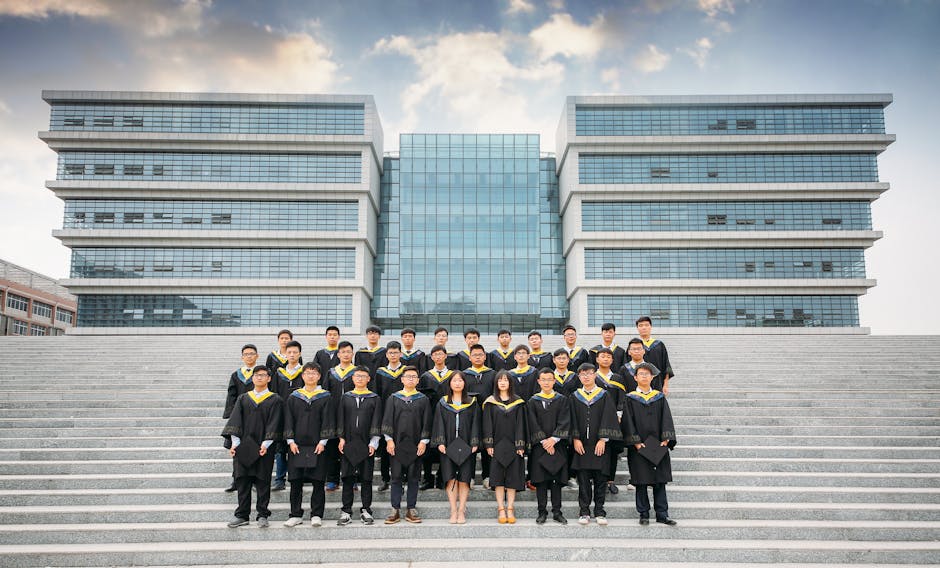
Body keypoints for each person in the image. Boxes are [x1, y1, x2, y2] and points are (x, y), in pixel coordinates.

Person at [222, 365, 283, 528]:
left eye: (263, 375)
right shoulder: (243, 398)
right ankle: (242, 515)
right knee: (242, 480)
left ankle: (262, 514)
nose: (259, 378)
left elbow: (275, 423)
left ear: (269, 378)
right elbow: (235, 421)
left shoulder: (275, 399)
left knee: (263, 481)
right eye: (256, 375)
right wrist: (235, 444)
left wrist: (266, 443)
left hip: (264, 448)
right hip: (243, 446)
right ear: (253, 378)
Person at [622, 362, 678, 526]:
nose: (644, 376)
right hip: (639, 447)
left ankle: (662, 514)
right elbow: (627, 422)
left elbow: (666, 418)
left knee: (659, 481)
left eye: (647, 374)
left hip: (658, 445)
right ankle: (644, 514)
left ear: (652, 377)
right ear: (635, 377)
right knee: (640, 481)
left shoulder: (659, 397)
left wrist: (666, 438)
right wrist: (636, 442)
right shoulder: (630, 398)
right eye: (641, 374)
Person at [281, 363, 334, 527]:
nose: (311, 375)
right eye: (308, 373)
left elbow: (328, 420)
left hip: (318, 445)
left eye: (314, 373)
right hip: (296, 445)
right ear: (302, 376)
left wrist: (323, 441)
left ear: (319, 376)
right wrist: (290, 441)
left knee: (318, 481)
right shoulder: (294, 396)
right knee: (295, 481)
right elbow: (288, 419)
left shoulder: (325, 396)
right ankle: (295, 514)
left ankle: (316, 514)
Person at [570, 362, 622, 526]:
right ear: (579, 377)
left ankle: (600, 511)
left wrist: (603, 439)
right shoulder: (575, 396)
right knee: (583, 480)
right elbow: (571, 419)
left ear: (595, 375)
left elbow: (609, 417)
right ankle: (584, 511)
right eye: (582, 374)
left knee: (601, 480)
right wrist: (575, 439)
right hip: (582, 444)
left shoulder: (604, 395)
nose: (586, 376)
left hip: (599, 443)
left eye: (589, 373)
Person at [382, 366, 432, 524]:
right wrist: (389, 440)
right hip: (396, 445)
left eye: (414, 377)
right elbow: (387, 420)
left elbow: (427, 423)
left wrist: (424, 441)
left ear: (418, 380)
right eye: (408, 376)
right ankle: (395, 509)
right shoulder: (393, 398)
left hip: (416, 445)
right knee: (395, 477)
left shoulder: (423, 399)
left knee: (414, 477)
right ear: (402, 379)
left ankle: (411, 508)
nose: (411, 379)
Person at [431, 371, 480, 524]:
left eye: (460, 380)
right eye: (454, 381)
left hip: (466, 445)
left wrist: (474, 442)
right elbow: (438, 422)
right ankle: (453, 509)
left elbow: (475, 423)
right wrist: (440, 442)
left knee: (464, 479)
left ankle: (461, 509)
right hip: (448, 445)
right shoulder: (443, 402)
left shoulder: (472, 402)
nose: (457, 383)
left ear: (464, 383)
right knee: (450, 478)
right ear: (450, 384)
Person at [336, 367, 382, 526]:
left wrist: (373, 442)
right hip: (348, 442)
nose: (360, 379)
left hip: (366, 443)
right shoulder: (345, 397)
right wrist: (341, 438)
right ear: (353, 378)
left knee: (366, 478)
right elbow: (340, 418)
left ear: (369, 379)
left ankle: (366, 510)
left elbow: (377, 420)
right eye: (357, 376)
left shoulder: (374, 398)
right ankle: (346, 511)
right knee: (347, 477)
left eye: (363, 376)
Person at [527, 368, 571, 525]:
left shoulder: (562, 400)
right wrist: (544, 441)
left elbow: (565, 420)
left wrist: (553, 439)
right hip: (540, 447)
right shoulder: (533, 401)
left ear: (554, 381)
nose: (546, 382)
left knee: (556, 481)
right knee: (541, 481)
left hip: (557, 445)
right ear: (538, 381)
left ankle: (557, 512)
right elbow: (532, 423)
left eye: (549, 379)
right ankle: (542, 511)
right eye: (543, 379)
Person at [482, 370, 527, 524]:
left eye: (505, 380)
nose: (502, 382)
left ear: (510, 383)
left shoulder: (518, 402)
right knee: (498, 478)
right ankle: (501, 508)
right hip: (497, 445)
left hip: (514, 445)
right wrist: (489, 443)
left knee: (513, 477)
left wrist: (520, 444)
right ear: (496, 383)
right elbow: (486, 424)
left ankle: (510, 508)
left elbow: (522, 424)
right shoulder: (490, 402)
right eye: (500, 380)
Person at [223, 344, 260, 492]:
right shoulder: (236, 375)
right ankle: (236, 479)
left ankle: (256, 480)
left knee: (257, 448)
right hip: (240, 419)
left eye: (252, 354)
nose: (249, 356)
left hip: (258, 418)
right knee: (237, 449)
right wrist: (232, 416)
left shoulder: (261, 374)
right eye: (246, 354)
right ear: (242, 357)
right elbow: (231, 396)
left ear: (257, 356)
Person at [418, 344, 455, 490]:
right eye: (435, 354)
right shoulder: (425, 376)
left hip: (448, 417)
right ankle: (427, 477)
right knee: (427, 449)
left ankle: (441, 477)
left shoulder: (452, 376)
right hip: (430, 417)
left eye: (441, 354)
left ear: (446, 356)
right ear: (431, 357)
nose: (438, 357)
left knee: (445, 446)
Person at [271, 341, 306, 492]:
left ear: (299, 354)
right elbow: (273, 394)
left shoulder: (305, 373)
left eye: (295, 352)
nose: (292, 355)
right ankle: (279, 479)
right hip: (281, 415)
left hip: (299, 416)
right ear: (285, 354)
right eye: (289, 352)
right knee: (280, 448)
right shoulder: (279, 373)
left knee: (297, 446)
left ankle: (297, 476)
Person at [593, 347, 627, 495]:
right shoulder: (592, 376)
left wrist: (619, 414)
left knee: (612, 451)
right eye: (602, 356)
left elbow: (621, 398)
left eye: (608, 356)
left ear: (612, 360)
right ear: (597, 359)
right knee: (595, 449)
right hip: (594, 420)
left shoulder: (618, 378)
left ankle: (610, 480)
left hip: (614, 420)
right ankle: (596, 479)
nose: (605, 359)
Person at [324, 341, 357, 491]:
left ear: (352, 354)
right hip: (333, 415)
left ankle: (351, 478)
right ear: (338, 354)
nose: (345, 354)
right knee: (332, 447)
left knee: (351, 447)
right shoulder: (331, 372)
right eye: (343, 352)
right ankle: (332, 479)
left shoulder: (358, 372)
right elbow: (325, 394)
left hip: (352, 415)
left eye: (348, 352)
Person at [374, 341, 407, 491]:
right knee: (385, 447)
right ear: (386, 355)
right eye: (390, 353)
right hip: (385, 415)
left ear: (401, 353)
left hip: (404, 414)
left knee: (403, 445)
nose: (393, 355)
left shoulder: (407, 372)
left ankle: (403, 476)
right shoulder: (380, 372)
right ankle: (385, 478)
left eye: (396, 352)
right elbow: (376, 394)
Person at [462, 343, 495, 488]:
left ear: (485, 356)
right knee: (471, 444)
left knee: (489, 443)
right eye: (474, 355)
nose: (477, 357)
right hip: (469, 416)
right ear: (469, 357)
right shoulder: (463, 375)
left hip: (488, 415)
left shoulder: (492, 374)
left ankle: (487, 476)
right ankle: (469, 476)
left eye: (480, 354)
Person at [636, 316, 675, 395]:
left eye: (646, 325)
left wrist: (665, 384)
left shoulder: (659, 345)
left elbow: (666, 365)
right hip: (638, 385)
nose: (644, 328)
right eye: (641, 325)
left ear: (651, 327)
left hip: (658, 383)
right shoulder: (634, 347)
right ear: (637, 328)